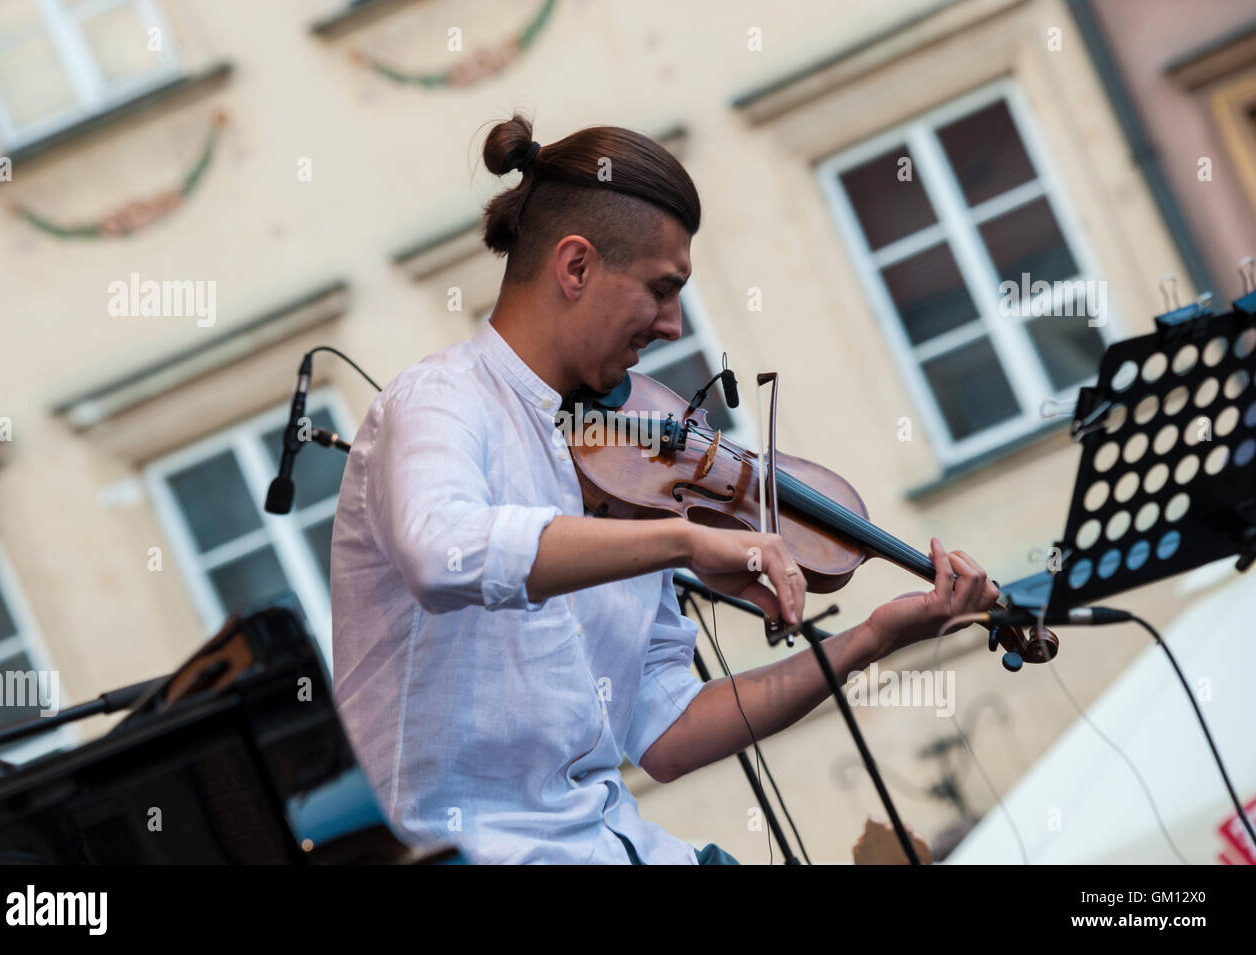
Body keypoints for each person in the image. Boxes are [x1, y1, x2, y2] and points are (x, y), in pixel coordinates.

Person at [330, 113, 1001, 864]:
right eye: (661, 288)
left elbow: (667, 731)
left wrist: (870, 638)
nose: (675, 324)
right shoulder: (436, 402)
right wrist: (684, 538)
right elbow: (440, 552)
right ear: (575, 267)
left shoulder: (624, 476)